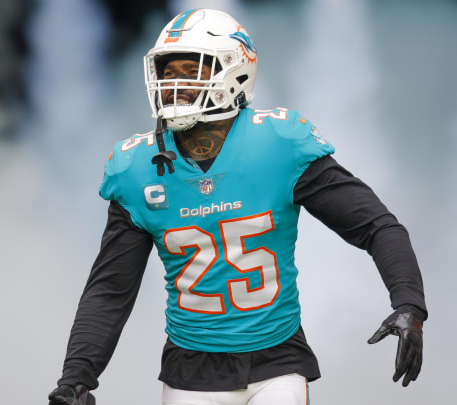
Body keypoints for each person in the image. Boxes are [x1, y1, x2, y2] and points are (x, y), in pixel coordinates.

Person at [48, 8, 427, 405]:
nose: (172, 82)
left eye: (188, 69)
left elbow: (377, 226)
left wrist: (409, 304)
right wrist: (77, 378)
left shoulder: (279, 144)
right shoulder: (137, 168)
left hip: (277, 359)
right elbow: (111, 289)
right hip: (190, 369)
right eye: (167, 71)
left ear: (233, 73)